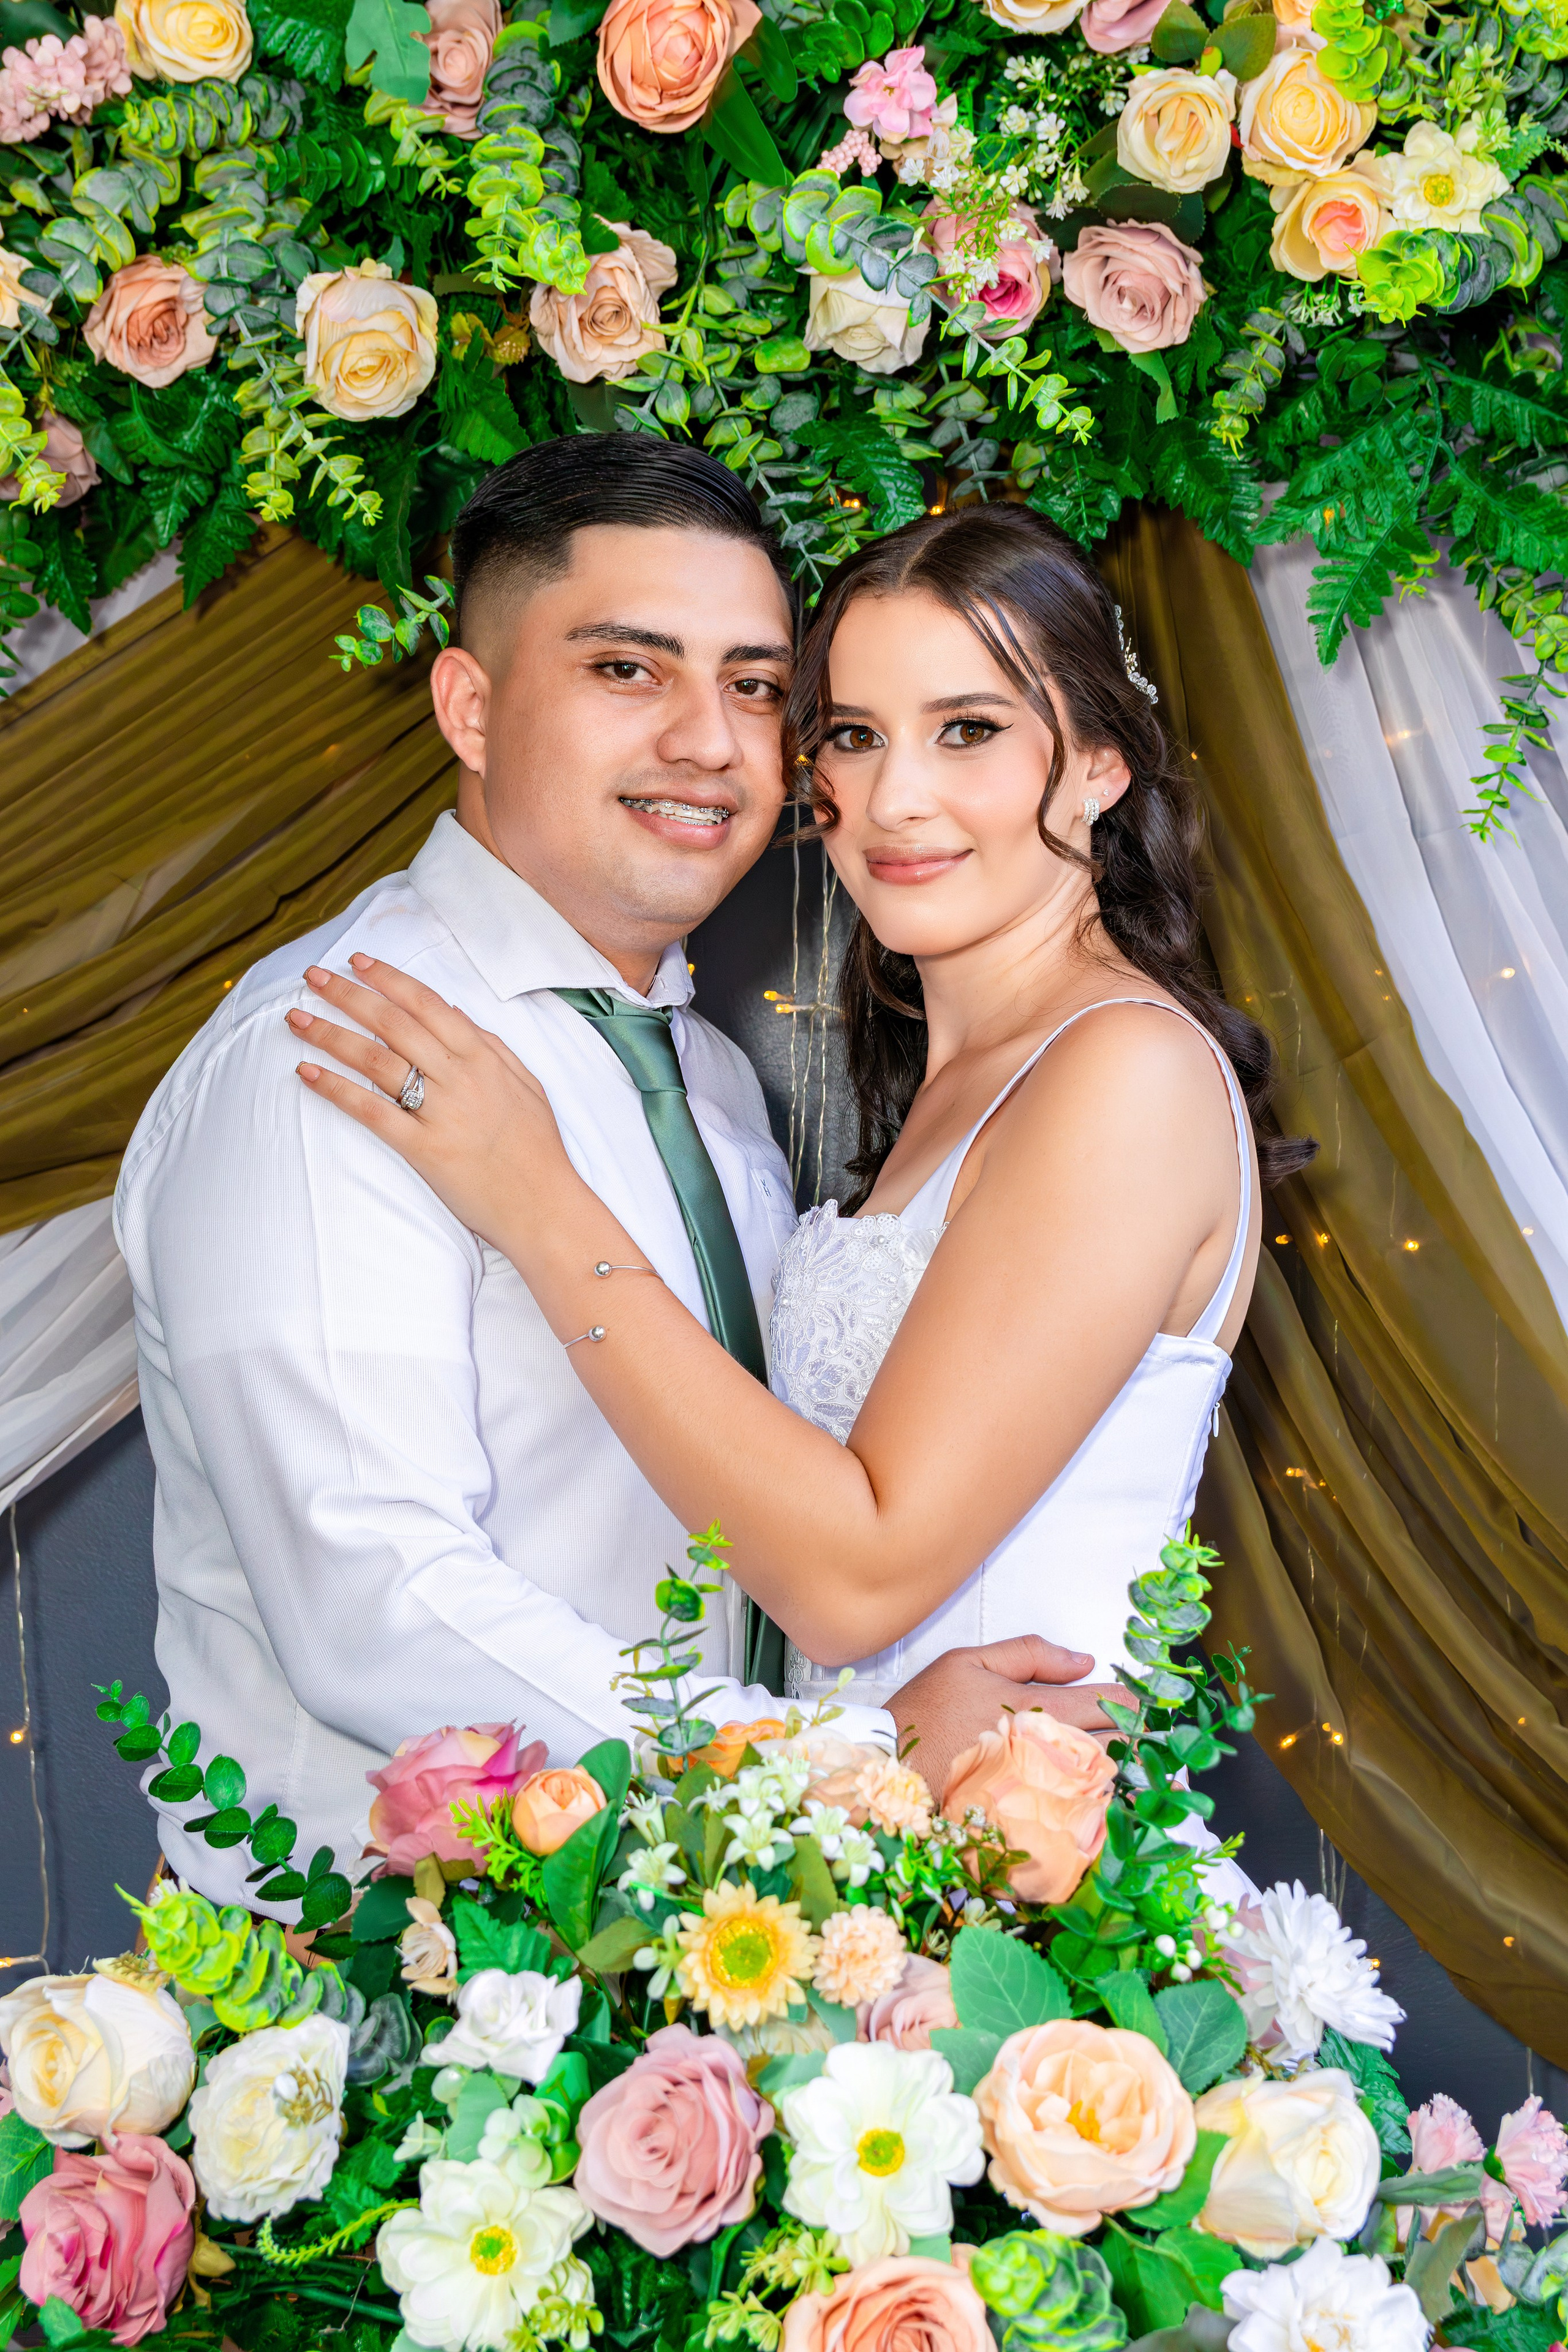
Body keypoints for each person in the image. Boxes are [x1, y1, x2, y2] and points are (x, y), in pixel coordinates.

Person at [114, 445, 1114, 1908]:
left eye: (759, 687)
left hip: (681, 1975)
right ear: (469, 705)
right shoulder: (335, 1052)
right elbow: (374, 1611)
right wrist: (829, 1773)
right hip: (380, 2008)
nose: (712, 743)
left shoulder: (702, 1080)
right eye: (629, 672)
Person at [292, 501, 1316, 1804]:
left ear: (1100, 764)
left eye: (968, 731)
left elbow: (852, 1579)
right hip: (848, 1871)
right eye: (849, 735)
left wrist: (536, 1199)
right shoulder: (959, 1084)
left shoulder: (1120, 1072)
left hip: (1012, 1895)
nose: (893, 799)